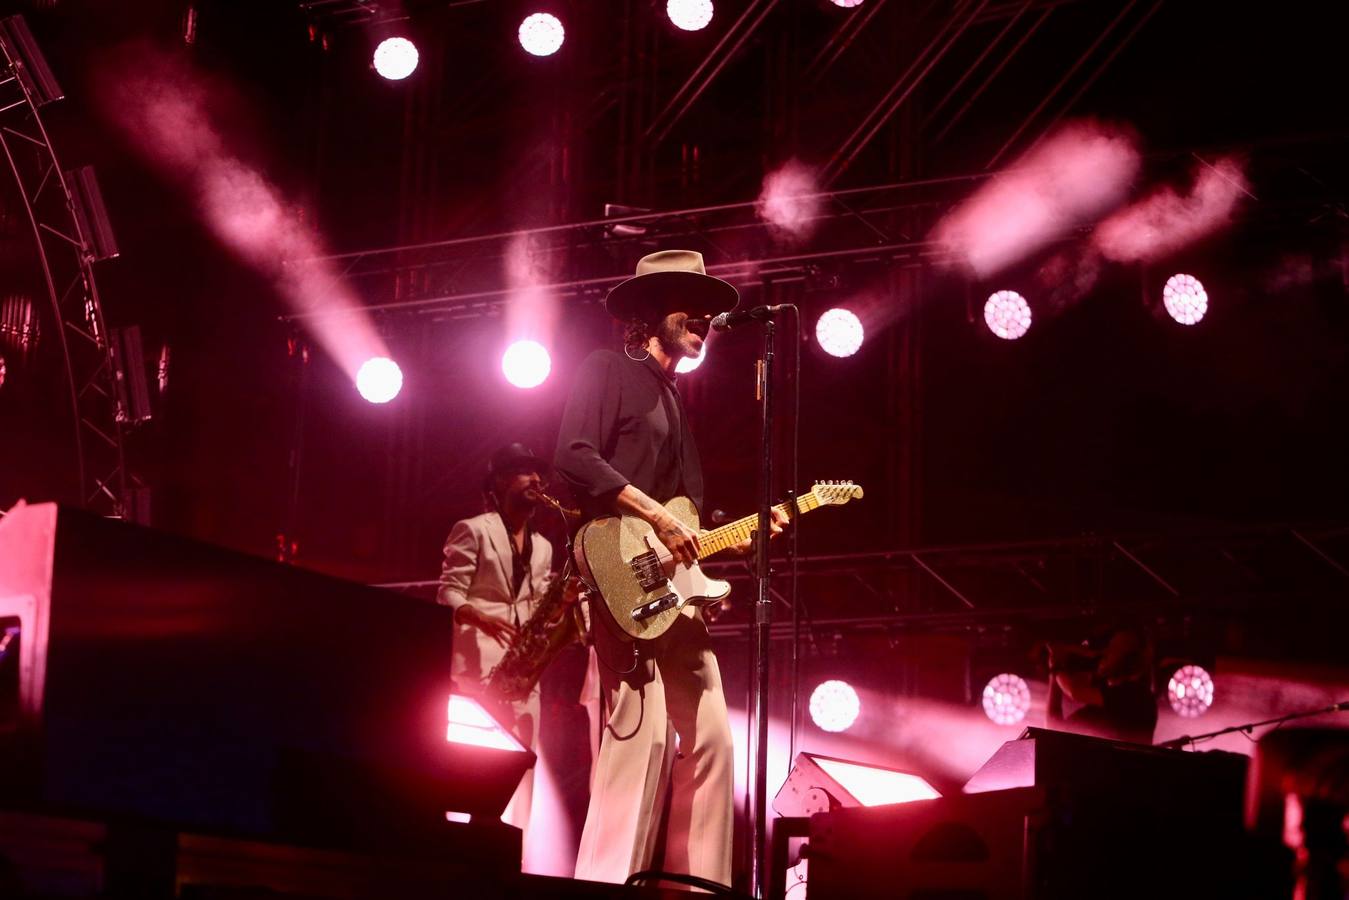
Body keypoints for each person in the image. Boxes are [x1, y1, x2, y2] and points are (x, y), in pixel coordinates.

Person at [555, 249, 785, 889]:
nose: (707, 319)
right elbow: (573, 457)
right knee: (644, 738)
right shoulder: (607, 370)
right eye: (693, 305)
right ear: (651, 312)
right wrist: (657, 517)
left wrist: (722, 548)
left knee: (713, 739)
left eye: (711, 310)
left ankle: (699, 888)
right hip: (617, 573)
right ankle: (605, 884)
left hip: (670, 591)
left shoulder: (677, 401)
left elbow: (685, 523)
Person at [436, 442, 554, 833]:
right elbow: (448, 593)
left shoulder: (545, 547)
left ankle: (513, 851)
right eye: (525, 471)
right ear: (501, 480)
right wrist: (478, 616)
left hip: (523, 677)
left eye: (538, 472)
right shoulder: (472, 529)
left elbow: (536, 604)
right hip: (477, 671)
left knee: (522, 768)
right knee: (470, 767)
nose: (536, 479)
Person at [1044, 620, 1157, 745]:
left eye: (1115, 647)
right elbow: (1054, 728)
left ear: (1132, 658)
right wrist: (1053, 674)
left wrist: (1057, 665)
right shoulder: (1095, 710)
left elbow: (1075, 691)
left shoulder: (1137, 696)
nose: (1106, 652)